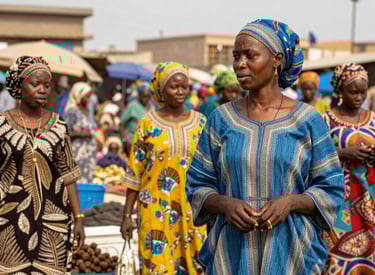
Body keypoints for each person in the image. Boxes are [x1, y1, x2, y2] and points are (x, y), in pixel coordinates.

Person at [186, 19, 345, 275]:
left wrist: (292, 202)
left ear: (276, 60)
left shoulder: (307, 120)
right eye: (236, 56)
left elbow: (332, 186)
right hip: (232, 252)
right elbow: (197, 184)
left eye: (250, 55)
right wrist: (226, 204)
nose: (240, 64)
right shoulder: (221, 119)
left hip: (291, 251)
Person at [120, 62, 207, 274]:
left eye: (184, 87)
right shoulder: (147, 124)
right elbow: (135, 172)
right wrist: (126, 216)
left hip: (194, 212)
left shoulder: (201, 123)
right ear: (160, 88)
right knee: (158, 268)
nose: (180, 92)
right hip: (155, 210)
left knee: (198, 267)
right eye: (173, 87)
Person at [0, 56, 85, 274]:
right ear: (19, 86)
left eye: (47, 85)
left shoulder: (58, 126)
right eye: (35, 84)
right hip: (8, 218)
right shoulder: (2, 124)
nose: (42, 90)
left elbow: (69, 175)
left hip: (52, 221)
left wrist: (78, 218)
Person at [321, 63, 375, 274]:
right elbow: (311, 158)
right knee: (337, 258)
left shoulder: (373, 119)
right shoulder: (325, 120)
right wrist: (343, 153)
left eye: (363, 92)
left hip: (369, 202)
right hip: (339, 205)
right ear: (340, 90)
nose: (359, 97)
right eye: (353, 92)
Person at [64, 82, 97, 184]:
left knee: (87, 178)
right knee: (76, 180)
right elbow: (65, 133)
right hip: (77, 152)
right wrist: (81, 134)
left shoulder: (88, 110)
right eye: (86, 97)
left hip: (89, 153)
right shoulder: (72, 111)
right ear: (78, 95)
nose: (88, 99)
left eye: (89, 97)